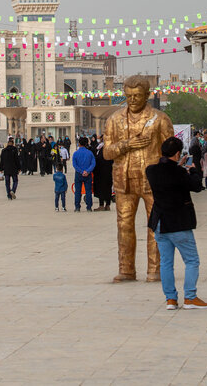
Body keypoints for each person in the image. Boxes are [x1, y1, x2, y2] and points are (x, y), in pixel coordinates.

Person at [103, 76, 175, 283]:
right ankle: (126, 269)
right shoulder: (114, 120)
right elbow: (107, 152)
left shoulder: (160, 119)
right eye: (128, 96)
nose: (132, 100)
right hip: (125, 180)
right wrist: (126, 145)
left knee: (156, 226)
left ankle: (155, 269)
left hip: (154, 181)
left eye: (137, 96)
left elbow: (172, 152)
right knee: (124, 225)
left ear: (148, 95)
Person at [145, 136, 207, 310]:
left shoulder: (151, 171)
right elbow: (196, 186)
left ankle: (171, 299)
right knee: (191, 260)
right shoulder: (180, 173)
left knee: (166, 262)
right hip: (178, 222)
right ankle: (190, 297)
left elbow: (167, 175)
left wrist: (177, 166)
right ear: (178, 153)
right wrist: (194, 171)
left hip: (159, 222)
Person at [72, 136, 95, 212]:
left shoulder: (75, 153)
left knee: (78, 191)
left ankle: (77, 207)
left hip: (78, 174)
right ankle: (89, 207)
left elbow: (75, 165)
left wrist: (81, 171)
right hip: (88, 175)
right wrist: (87, 171)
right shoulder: (90, 153)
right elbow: (93, 163)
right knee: (88, 191)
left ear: (79, 143)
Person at [93, 140, 113, 211]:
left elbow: (98, 160)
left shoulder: (102, 151)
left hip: (101, 173)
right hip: (109, 173)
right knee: (108, 189)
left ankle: (101, 205)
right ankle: (107, 205)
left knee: (101, 189)